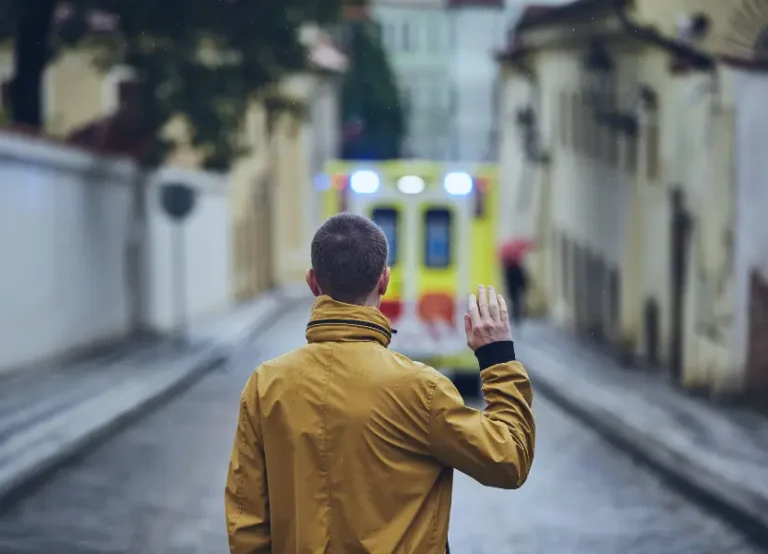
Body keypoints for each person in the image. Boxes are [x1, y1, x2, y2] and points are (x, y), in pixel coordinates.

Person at [225, 213, 536, 554]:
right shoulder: (421, 389)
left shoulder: (266, 384)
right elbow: (509, 460)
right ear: (384, 280)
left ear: (313, 282)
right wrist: (497, 356)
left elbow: (247, 522)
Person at [504, 257, 528, 326]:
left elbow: (507, 280)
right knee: (517, 302)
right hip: (517, 288)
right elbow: (522, 278)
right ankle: (517, 315)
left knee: (514, 301)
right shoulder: (518, 268)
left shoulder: (509, 269)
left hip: (513, 288)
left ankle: (515, 315)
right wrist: (523, 286)